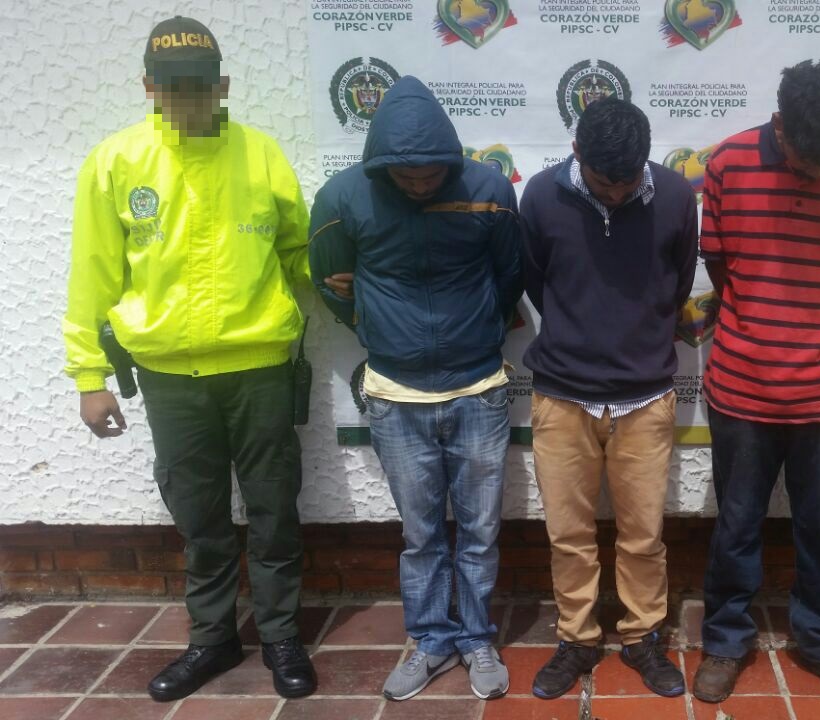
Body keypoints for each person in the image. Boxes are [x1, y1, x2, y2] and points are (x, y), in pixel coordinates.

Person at [63, 15, 316, 701]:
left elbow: (297, 249)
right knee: (199, 517)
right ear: (148, 86)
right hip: (170, 377)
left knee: (273, 510)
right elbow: (92, 278)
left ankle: (281, 635)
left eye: (200, 86)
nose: (188, 99)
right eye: (172, 87)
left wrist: (337, 275)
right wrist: (89, 377)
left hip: (260, 367)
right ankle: (212, 638)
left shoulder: (261, 154)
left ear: (222, 85)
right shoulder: (116, 163)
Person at [309, 75, 522, 702]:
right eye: (406, 176)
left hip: (478, 388)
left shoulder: (488, 189)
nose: (421, 183)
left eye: (432, 174)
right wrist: (377, 328)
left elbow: (510, 276)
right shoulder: (342, 196)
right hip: (395, 394)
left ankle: (476, 638)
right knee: (421, 533)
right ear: (380, 164)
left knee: (480, 530)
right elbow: (329, 282)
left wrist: (477, 330)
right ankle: (430, 640)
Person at [692, 59, 820, 710]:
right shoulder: (727, 164)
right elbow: (720, 263)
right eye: (812, 161)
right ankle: (726, 641)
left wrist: (815, 325)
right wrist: (767, 319)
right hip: (742, 385)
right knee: (737, 523)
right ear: (781, 126)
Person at [518, 97, 698, 699]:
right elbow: (536, 280)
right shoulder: (540, 197)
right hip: (562, 396)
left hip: (644, 398)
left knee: (643, 534)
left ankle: (643, 636)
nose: (618, 194)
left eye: (628, 182)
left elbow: (677, 282)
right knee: (568, 535)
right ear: (577, 153)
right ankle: (577, 638)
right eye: (604, 184)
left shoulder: (676, 196)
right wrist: (579, 332)